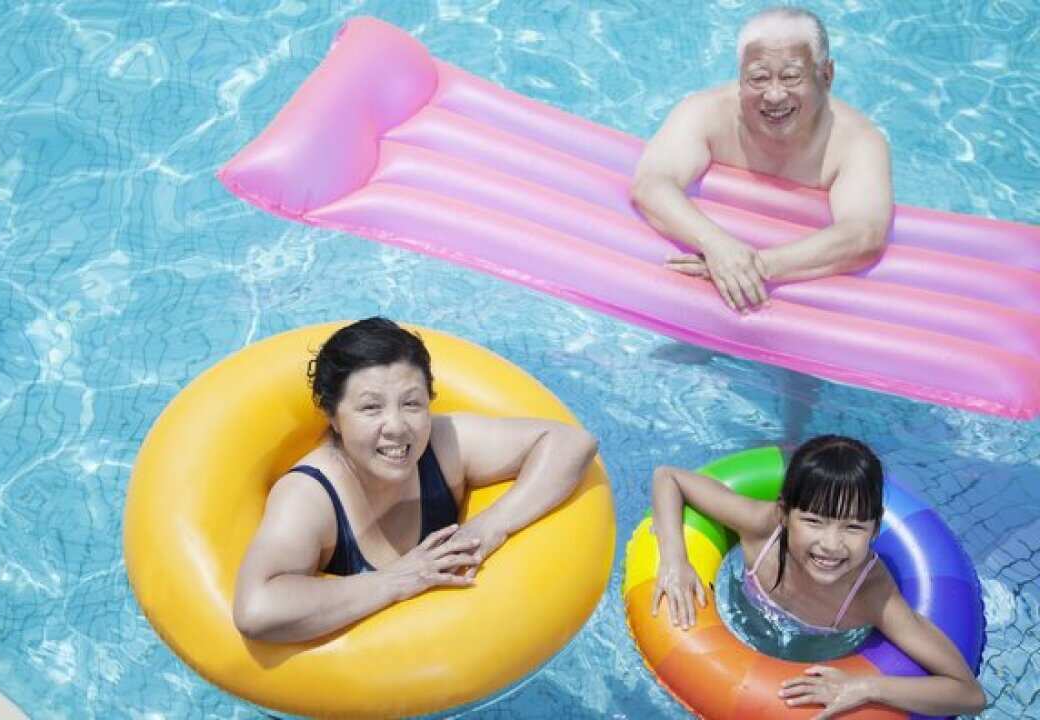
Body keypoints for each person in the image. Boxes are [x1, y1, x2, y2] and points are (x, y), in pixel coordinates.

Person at [232, 317, 598, 643]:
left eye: (411, 404)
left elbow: (572, 443)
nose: (396, 427)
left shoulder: (445, 444)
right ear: (333, 416)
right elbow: (257, 609)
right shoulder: (310, 496)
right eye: (370, 407)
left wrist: (490, 525)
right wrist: (395, 580)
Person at [650, 436, 985, 718]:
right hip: (740, 630)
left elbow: (969, 694)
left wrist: (866, 686)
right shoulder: (763, 528)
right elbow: (669, 478)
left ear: (875, 528)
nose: (831, 545)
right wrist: (674, 559)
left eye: (853, 527)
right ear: (784, 514)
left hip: (814, 654)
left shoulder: (872, 595)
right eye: (813, 521)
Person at [631, 6, 892, 313]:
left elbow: (864, 234)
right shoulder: (706, 113)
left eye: (791, 77)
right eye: (759, 78)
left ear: (826, 76)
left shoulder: (857, 141)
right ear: (741, 76)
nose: (774, 95)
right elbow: (651, 183)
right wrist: (716, 245)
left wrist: (754, 266)